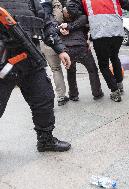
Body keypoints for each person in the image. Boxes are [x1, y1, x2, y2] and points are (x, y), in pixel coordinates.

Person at [0, 0, 71, 152]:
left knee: (44, 99)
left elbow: (46, 24)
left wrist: (60, 49)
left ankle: (45, 140)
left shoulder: (31, 1)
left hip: (31, 58)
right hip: (2, 61)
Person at [67, 0, 129, 102]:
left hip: (100, 34)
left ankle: (114, 91)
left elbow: (71, 6)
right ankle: (119, 84)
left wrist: (81, 17)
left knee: (103, 64)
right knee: (114, 57)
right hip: (117, 33)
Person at [58, 7, 104, 101]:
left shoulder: (61, 25)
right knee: (92, 70)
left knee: (71, 72)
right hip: (82, 48)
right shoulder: (82, 20)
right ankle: (97, 93)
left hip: (68, 50)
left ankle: (73, 95)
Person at [41, 0, 69, 106]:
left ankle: (45, 99)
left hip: (36, 40)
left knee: (40, 71)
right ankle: (61, 96)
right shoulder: (53, 1)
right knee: (56, 69)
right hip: (50, 37)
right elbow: (58, 18)